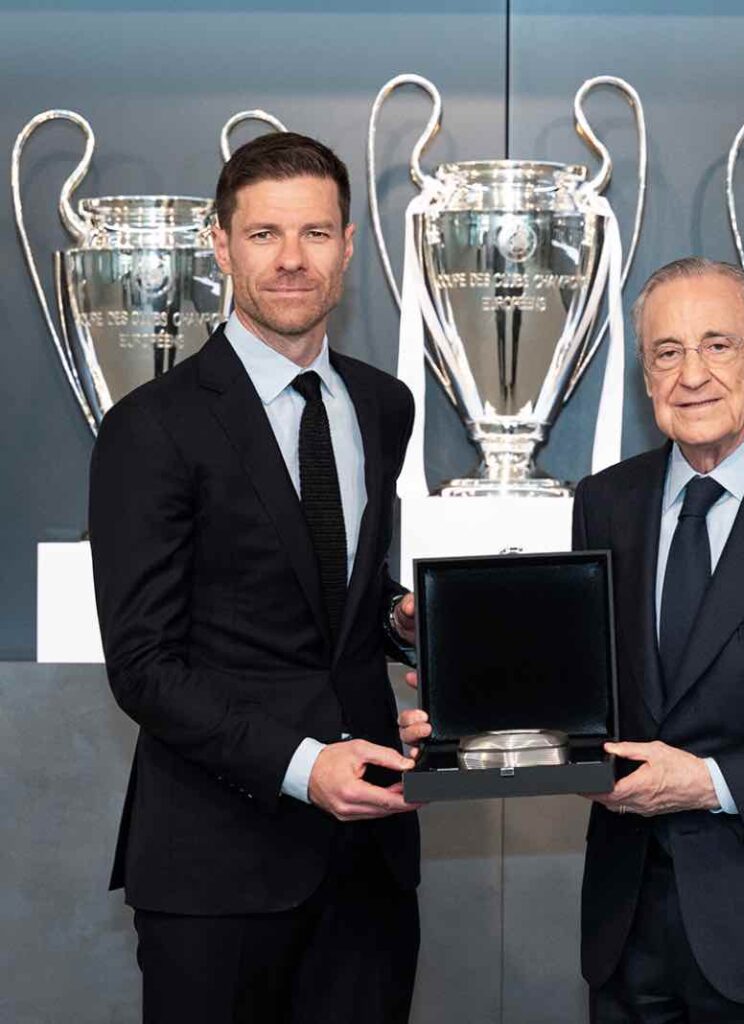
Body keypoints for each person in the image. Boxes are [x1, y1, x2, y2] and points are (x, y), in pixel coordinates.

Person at [402, 256, 744, 1023]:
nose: (691, 374)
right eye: (667, 352)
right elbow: (588, 686)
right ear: (646, 375)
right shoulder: (607, 501)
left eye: (717, 345)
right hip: (626, 929)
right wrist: (467, 721)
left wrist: (707, 782)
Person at [90, 131, 421, 1024]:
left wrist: (405, 618)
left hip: (370, 866)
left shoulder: (383, 405)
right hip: (216, 871)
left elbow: (337, 589)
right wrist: (305, 767)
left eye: (315, 233)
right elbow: (143, 665)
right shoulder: (150, 427)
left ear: (348, 246)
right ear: (222, 245)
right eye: (265, 234)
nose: (291, 259)